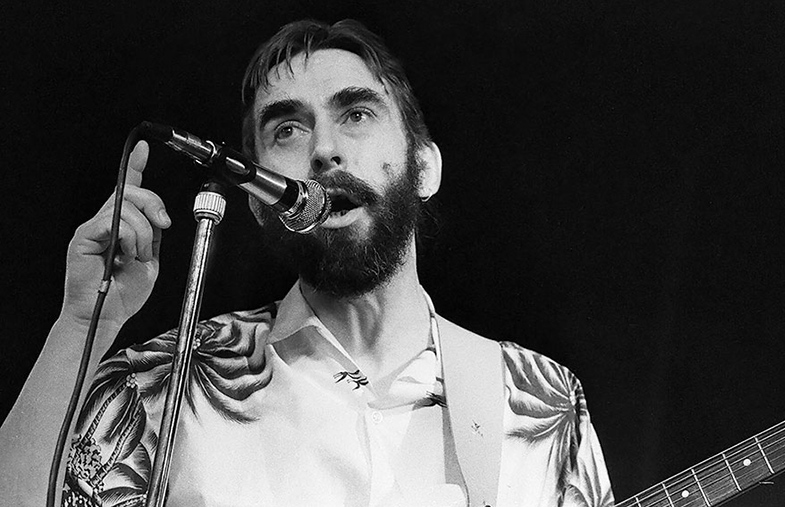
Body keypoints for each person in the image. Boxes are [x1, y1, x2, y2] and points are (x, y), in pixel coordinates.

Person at [1, 19, 614, 507]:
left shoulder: (541, 402)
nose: (324, 150)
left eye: (357, 114)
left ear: (424, 167)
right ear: (258, 201)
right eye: (288, 130)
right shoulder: (168, 384)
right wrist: (81, 324)